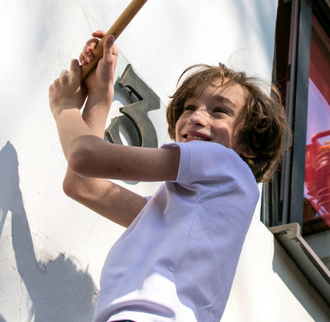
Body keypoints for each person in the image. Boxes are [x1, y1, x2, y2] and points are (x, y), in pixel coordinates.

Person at [48, 31, 289, 322]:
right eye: (190, 107)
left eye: (219, 111)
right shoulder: (176, 214)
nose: (196, 117)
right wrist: (99, 95)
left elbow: (83, 157)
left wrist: (65, 107)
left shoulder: (227, 164)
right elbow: (81, 184)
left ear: (249, 146)